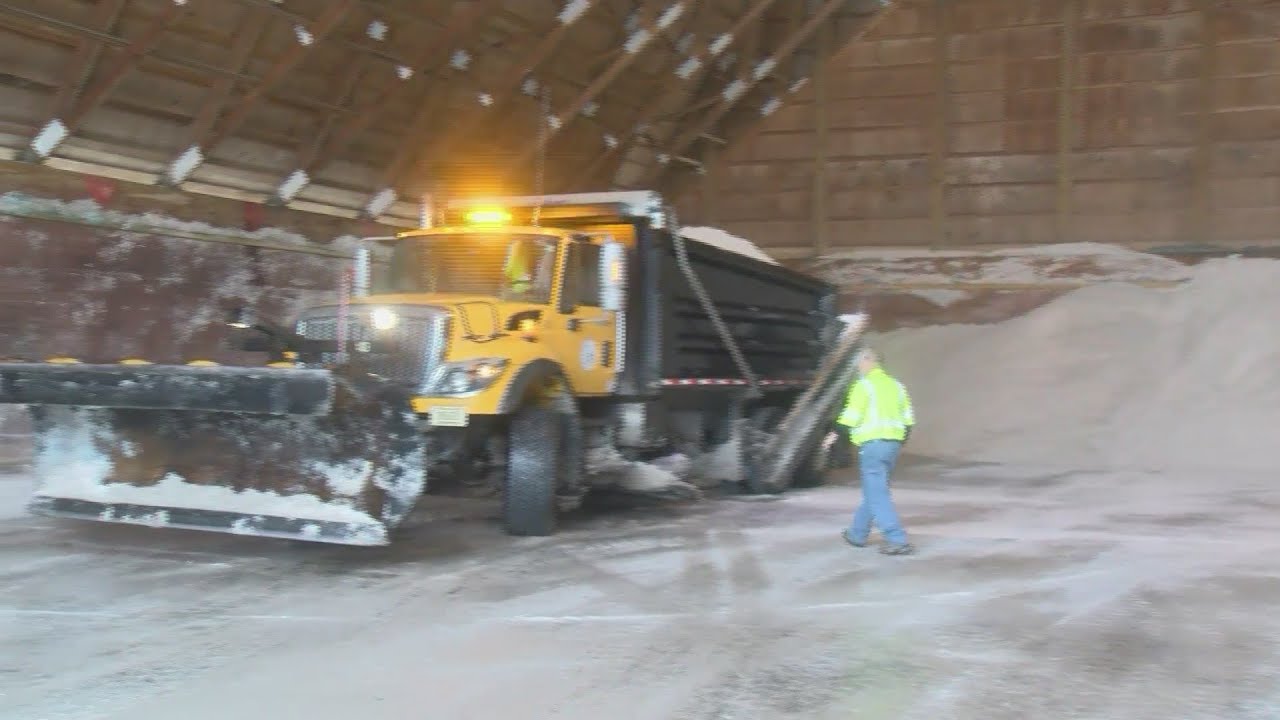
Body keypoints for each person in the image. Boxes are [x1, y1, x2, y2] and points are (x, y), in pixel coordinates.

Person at [837, 347, 915, 555]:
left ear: (869, 361)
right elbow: (908, 420)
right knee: (876, 490)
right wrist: (898, 441)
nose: (857, 367)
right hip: (893, 444)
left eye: (859, 363)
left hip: (873, 445)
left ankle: (896, 538)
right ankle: (857, 533)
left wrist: (834, 435)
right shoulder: (897, 386)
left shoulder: (864, 386)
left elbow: (851, 417)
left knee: (877, 493)